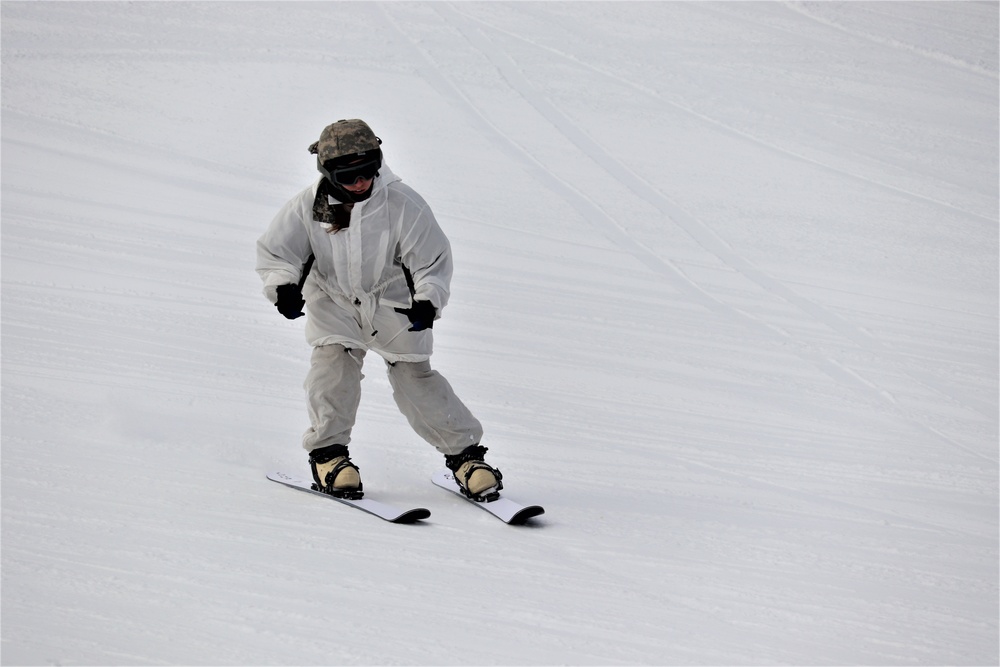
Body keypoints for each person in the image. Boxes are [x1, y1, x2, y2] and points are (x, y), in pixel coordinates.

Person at [256, 118, 502, 502]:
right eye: (349, 176)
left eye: (368, 172)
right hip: (333, 300)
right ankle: (329, 456)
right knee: (332, 367)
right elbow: (277, 253)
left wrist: (428, 300)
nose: (360, 184)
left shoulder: (402, 203)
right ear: (328, 172)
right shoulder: (308, 207)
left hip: (394, 303)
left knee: (414, 378)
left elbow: (431, 261)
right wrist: (282, 287)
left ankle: (467, 458)